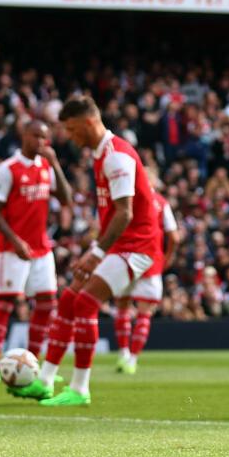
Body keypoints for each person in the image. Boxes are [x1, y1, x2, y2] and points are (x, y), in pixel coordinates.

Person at [32, 96, 162, 407]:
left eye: (73, 130)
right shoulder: (101, 155)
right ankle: (45, 380)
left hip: (137, 247)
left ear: (90, 122)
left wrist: (96, 252)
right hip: (117, 245)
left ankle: (80, 388)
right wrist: (97, 247)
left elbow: (125, 213)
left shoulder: (117, 157)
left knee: (86, 303)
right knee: (69, 300)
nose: (71, 137)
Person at [0, 120, 71, 386]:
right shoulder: (8, 169)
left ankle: (32, 363)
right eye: (36, 136)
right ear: (25, 136)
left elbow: (66, 198)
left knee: (47, 304)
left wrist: (55, 164)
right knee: (6, 304)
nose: (41, 142)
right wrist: (16, 241)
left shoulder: (46, 166)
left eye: (45, 138)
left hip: (42, 248)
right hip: (13, 249)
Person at [114, 175, 180, 374]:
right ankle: (132, 360)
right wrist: (166, 259)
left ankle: (123, 352)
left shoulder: (127, 200)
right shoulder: (161, 202)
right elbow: (174, 237)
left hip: (125, 258)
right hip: (150, 261)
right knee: (144, 313)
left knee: (123, 308)